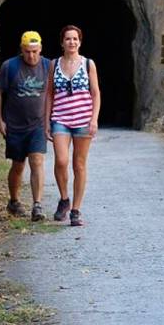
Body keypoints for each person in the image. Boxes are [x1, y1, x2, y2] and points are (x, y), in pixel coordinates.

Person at [44, 25, 100, 227]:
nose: (72, 42)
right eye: (68, 39)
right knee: (61, 160)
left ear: (80, 42)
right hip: (60, 118)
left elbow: (95, 93)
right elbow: (49, 93)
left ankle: (76, 210)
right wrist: (47, 121)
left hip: (83, 120)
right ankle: (64, 198)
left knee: (79, 164)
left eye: (75, 39)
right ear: (62, 42)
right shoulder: (54, 64)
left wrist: (94, 119)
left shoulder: (88, 64)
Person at [0, 31, 51, 221]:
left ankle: (37, 205)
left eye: (35, 51)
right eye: (27, 52)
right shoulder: (9, 66)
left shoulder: (48, 66)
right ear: (21, 50)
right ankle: (14, 201)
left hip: (38, 125)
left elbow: (54, 94)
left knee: (37, 161)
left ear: (40, 49)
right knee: (18, 166)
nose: (31, 56)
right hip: (15, 126)